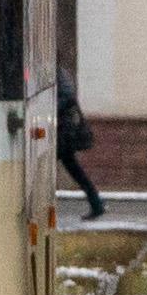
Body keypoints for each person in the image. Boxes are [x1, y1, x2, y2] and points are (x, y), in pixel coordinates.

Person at [56, 72, 105, 220]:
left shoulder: (57, 74)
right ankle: (96, 203)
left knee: (74, 170)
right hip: (62, 130)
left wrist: (49, 107)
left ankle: (97, 203)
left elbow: (68, 96)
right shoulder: (56, 73)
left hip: (64, 132)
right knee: (75, 170)